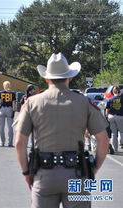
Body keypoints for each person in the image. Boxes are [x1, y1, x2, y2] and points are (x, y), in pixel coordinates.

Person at [15, 53, 109, 208]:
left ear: (46, 78)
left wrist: (26, 173)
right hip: (77, 175)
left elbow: (19, 143)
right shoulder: (84, 102)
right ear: (70, 77)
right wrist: (94, 168)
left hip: (44, 176)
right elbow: (103, 140)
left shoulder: (32, 103)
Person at [0, 81, 17, 147]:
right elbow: (14, 103)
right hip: (9, 109)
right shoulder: (12, 93)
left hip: (2, 109)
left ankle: (2, 142)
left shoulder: (0, 93)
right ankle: (10, 143)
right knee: (10, 127)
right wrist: (14, 110)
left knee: (1, 127)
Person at [105, 86, 123, 152]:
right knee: (121, 132)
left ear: (113, 91)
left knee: (113, 133)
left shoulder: (110, 99)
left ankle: (115, 149)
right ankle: (121, 143)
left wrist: (107, 117)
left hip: (111, 117)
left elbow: (107, 110)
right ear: (119, 91)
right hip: (120, 116)